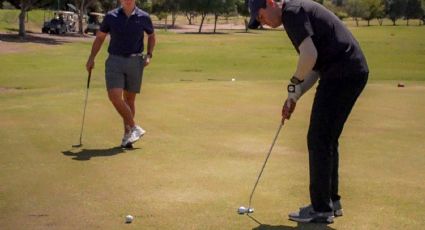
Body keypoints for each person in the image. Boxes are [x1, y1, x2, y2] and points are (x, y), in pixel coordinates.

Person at [248, 0, 369, 224]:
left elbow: (309, 56)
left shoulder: (292, 13)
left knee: (318, 138)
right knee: (326, 139)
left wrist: (294, 82)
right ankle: (331, 202)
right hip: (350, 71)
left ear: (271, 3)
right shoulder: (295, 13)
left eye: (261, 16)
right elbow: (314, 65)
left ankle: (321, 208)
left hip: (342, 73)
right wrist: (294, 95)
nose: (262, 22)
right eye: (258, 21)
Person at [86, 0, 156, 148]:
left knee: (130, 100)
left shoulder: (144, 17)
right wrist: (92, 57)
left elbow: (151, 36)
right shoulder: (111, 16)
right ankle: (134, 127)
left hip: (136, 61)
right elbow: (100, 37)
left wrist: (149, 55)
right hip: (114, 61)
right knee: (114, 96)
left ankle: (128, 136)